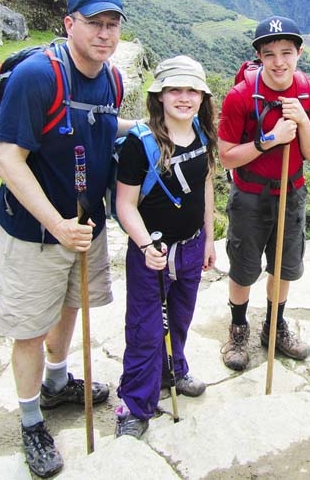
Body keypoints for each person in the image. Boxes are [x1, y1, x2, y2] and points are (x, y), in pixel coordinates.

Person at [0, 0, 133, 478]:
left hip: (85, 225)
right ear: (69, 23)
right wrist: (56, 223)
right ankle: (31, 422)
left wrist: (141, 129)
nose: (104, 32)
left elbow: (103, 125)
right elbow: (10, 159)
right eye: (94, 22)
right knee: (28, 328)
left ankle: (56, 384)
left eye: (112, 24)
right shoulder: (38, 77)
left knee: (73, 303)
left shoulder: (111, 80)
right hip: (34, 231)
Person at [114, 56, 217, 438]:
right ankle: (135, 404)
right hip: (151, 254)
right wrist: (144, 246)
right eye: (175, 89)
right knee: (144, 328)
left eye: (192, 90)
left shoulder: (202, 135)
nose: (184, 98)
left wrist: (208, 237)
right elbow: (125, 204)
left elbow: (205, 186)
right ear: (159, 96)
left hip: (190, 248)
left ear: (202, 97)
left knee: (179, 319)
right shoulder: (140, 145)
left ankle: (174, 370)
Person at [218, 16, 310, 371]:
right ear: (259, 57)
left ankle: (274, 327)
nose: (279, 62)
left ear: (299, 52)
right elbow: (226, 155)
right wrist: (271, 140)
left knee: (283, 267)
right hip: (250, 194)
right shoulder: (240, 97)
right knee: (243, 268)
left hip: (291, 193)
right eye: (270, 54)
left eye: (286, 52)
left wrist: (303, 123)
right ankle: (238, 328)